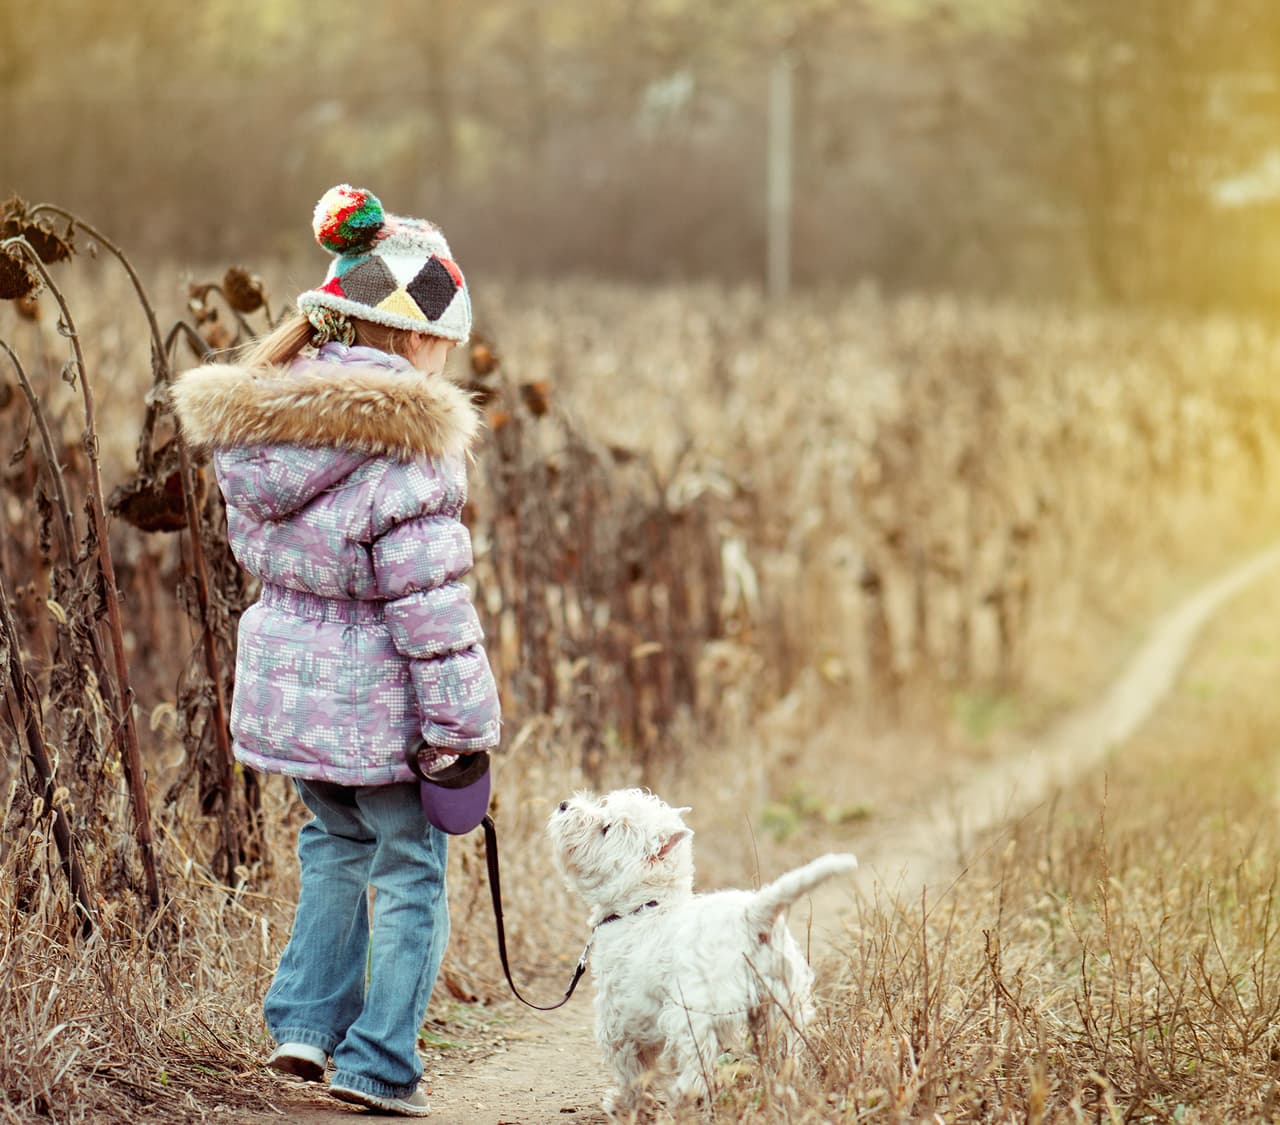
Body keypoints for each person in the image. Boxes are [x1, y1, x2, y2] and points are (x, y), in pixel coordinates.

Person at [170, 184, 501, 1117]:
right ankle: (380, 1063)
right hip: (385, 710)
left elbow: (277, 565)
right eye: (446, 341)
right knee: (408, 869)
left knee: (333, 844)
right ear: (418, 338)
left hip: (293, 696)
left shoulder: (262, 431)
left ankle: (304, 1027)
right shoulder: (413, 445)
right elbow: (429, 605)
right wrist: (462, 729)